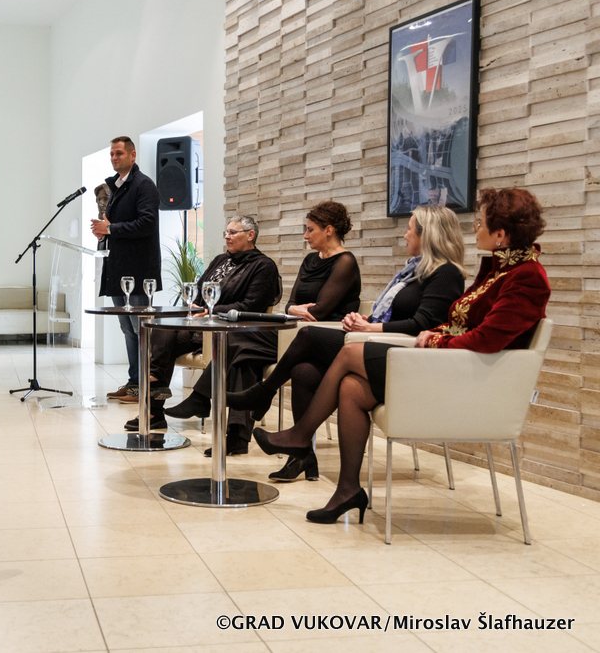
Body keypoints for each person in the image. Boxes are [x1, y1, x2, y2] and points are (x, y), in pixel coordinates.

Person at [252, 188, 550, 525]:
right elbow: (461, 324)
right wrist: (439, 333)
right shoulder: (500, 270)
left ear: (500, 235)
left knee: (349, 352)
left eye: (480, 223)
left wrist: (435, 340)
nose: (474, 228)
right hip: (446, 367)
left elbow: (486, 339)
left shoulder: (526, 278)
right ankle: (347, 489)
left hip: (463, 381)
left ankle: (299, 435)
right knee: (351, 388)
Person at [227, 205, 466, 479]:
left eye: (409, 229)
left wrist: (371, 327)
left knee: (307, 335)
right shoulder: (413, 272)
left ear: (428, 234)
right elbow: (397, 315)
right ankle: (301, 457)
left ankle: (266, 393)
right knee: (302, 371)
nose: (404, 235)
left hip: (403, 357)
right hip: (378, 343)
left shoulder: (446, 273)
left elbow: (422, 323)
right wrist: (365, 319)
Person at [166, 201, 361, 455]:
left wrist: (299, 310)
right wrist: (295, 309)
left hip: (322, 339)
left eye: (310, 229)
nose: (305, 235)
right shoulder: (310, 260)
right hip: (296, 335)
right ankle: (236, 436)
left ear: (329, 230)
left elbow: (320, 311)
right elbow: (290, 304)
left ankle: (204, 399)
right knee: (244, 353)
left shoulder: (345, 262)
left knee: (240, 342)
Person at [125, 215, 282, 457]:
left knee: (241, 356)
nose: (227, 236)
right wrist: (197, 308)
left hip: (229, 330)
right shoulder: (220, 260)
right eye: (226, 232)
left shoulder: (263, 266)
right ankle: (155, 410)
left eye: (233, 232)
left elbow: (252, 305)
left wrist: (212, 311)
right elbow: (199, 293)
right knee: (162, 329)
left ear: (250, 235)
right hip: (202, 327)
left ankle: (197, 402)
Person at [91, 136, 162, 402]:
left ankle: (146, 386)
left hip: (138, 273)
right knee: (128, 329)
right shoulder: (116, 187)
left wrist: (110, 228)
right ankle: (134, 383)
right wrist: (103, 232)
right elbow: (115, 224)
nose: (114, 158)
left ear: (133, 155)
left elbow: (147, 223)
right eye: (111, 154)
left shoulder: (144, 185)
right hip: (117, 270)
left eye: (119, 153)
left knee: (140, 330)